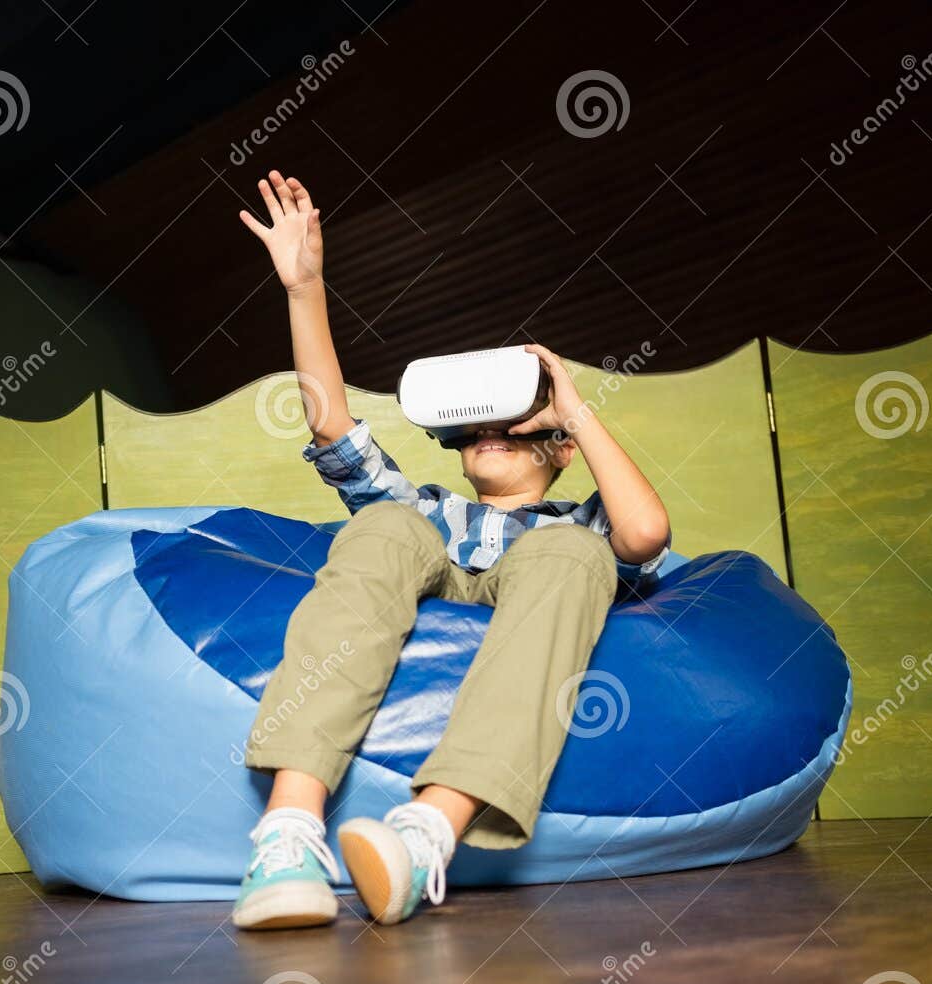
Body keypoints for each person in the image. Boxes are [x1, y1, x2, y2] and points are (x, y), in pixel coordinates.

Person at [231, 170, 671, 931]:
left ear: (559, 445)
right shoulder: (425, 511)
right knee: (379, 526)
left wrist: (573, 406)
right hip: (422, 552)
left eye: (513, 417)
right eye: (478, 422)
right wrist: (305, 289)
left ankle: (424, 835)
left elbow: (646, 536)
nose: (491, 430)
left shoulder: (580, 527)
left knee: (571, 552)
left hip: (548, 565)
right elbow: (334, 430)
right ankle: (289, 835)